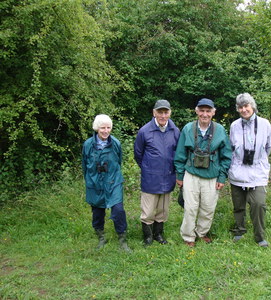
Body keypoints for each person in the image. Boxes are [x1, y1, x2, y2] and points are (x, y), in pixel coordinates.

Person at [174, 98, 232, 247]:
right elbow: (180, 154)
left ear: (213, 112)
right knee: (190, 208)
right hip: (191, 174)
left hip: (212, 176)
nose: (204, 114)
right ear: (196, 111)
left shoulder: (220, 130)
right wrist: (179, 176)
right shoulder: (187, 128)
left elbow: (226, 156)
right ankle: (188, 236)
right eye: (202, 110)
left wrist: (222, 176)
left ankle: (202, 232)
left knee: (208, 208)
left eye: (208, 111)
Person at [228, 93, 271, 247]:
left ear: (252, 106)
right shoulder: (234, 125)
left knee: (258, 204)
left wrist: (257, 160)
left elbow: (269, 146)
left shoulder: (265, 124)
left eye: (246, 106)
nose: (243, 109)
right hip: (238, 171)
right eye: (240, 107)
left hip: (257, 171)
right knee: (238, 204)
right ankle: (239, 230)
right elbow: (231, 147)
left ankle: (260, 236)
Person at [82, 114, 131, 252]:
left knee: (118, 210)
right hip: (94, 183)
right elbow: (84, 165)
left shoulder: (115, 143)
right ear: (97, 128)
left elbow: (119, 161)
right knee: (97, 212)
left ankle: (122, 239)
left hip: (113, 181)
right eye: (103, 128)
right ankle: (101, 237)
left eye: (108, 127)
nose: (106, 131)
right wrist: (90, 180)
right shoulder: (87, 145)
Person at [134, 99, 180, 246]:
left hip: (168, 176)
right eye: (160, 112)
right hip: (150, 178)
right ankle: (147, 236)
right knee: (148, 211)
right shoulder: (144, 131)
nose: (163, 115)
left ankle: (158, 234)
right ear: (154, 113)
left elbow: (178, 153)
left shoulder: (175, 131)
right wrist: (149, 168)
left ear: (170, 113)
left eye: (166, 112)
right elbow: (138, 154)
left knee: (162, 210)